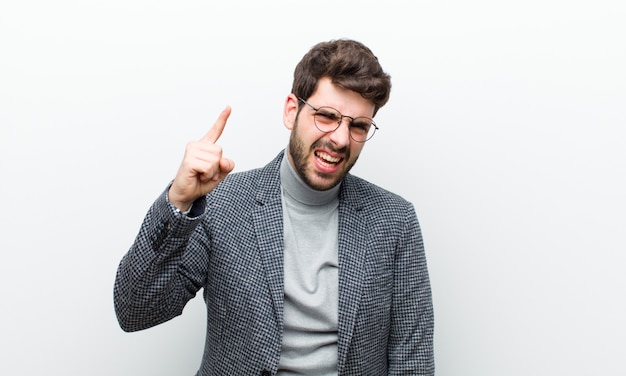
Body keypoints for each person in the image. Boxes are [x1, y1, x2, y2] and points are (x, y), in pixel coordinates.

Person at [114, 38, 434, 376]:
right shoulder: (222, 204)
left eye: (358, 126)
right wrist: (177, 203)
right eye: (326, 116)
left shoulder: (395, 221)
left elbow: (412, 360)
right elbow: (135, 311)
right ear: (292, 111)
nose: (340, 139)